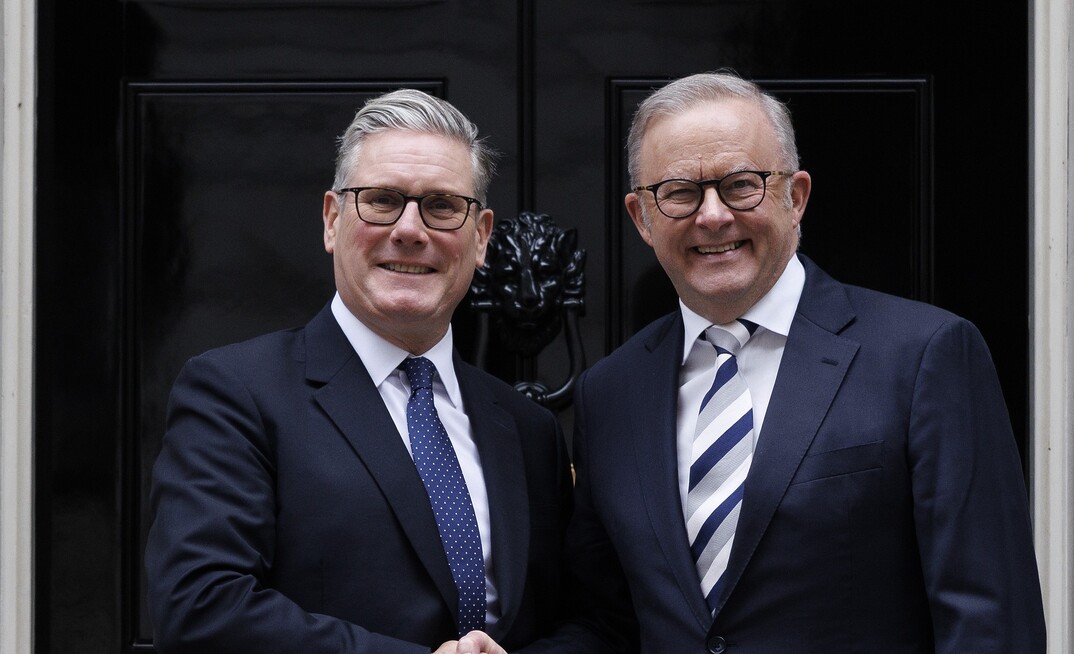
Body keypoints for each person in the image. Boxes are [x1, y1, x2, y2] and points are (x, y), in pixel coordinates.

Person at [462, 71, 1047, 653]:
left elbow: (990, 622)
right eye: (680, 192)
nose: (712, 216)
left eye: (741, 185)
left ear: (795, 198)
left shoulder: (926, 356)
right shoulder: (610, 393)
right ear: (642, 218)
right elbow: (608, 624)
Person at [144, 89, 574, 654]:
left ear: (482, 238)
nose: (410, 230)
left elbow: (584, 621)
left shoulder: (526, 429)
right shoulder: (236, 394)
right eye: (382, 200)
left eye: (442, 206)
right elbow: (201, 607)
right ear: (331, 220)